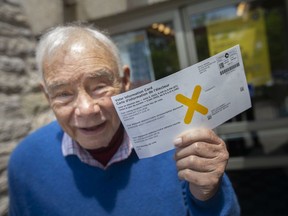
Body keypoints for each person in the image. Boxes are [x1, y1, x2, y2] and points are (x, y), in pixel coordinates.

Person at [8, 24, 240, 216]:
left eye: (99, 87)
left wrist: (208, 195)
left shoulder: (177, 140)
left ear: (125, 81)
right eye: (64, 94)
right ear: (47, 96)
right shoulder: (26, 163)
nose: (86, 109)